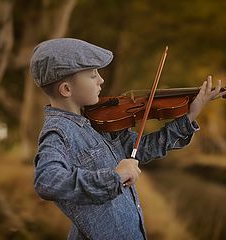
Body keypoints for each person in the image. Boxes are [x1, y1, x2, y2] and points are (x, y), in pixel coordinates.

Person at [30, 38, 225, 240]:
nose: (101, 80)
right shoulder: (59, 132)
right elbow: (46, 181)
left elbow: (144, 148)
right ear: (66, 90)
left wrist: (189, 117)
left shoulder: (97, 122)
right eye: (92, 75)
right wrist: (114, 176)